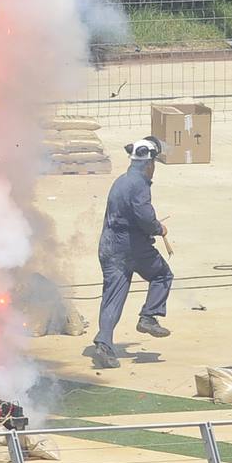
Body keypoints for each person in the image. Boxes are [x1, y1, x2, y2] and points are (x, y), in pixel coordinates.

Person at [92, 136, 173, 369]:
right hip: (131, 247)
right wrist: (159, 228)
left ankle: (104, 344)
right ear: (149, 163)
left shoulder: (121, 181)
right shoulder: (139, 185)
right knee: (162, 275)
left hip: (108, 246)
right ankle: (149, 316)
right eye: (154, 164)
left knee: (113, 296)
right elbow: (146, 219)